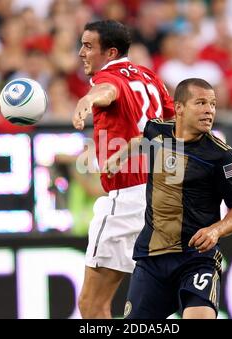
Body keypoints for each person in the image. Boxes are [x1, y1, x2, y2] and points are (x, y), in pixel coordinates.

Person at [104, 78, 232, 319]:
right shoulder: (156, 130)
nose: (209, 110)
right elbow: (141, 139)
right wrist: (120, 154)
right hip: (152, 259)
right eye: (201, 103)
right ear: (178, 107)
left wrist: (215, 230)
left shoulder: (223, 158)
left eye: (212, 104)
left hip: (196, 258)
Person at [72, 20, 174, 318]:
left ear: (110, 52)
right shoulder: (151, 77)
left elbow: (107, 90)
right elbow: (173, 125)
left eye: (88, 46)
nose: (81, 53)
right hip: (165, 195)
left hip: (128, 198)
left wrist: (88, 99)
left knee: (92, 304)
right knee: (151, 305)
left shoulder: (108, 78)